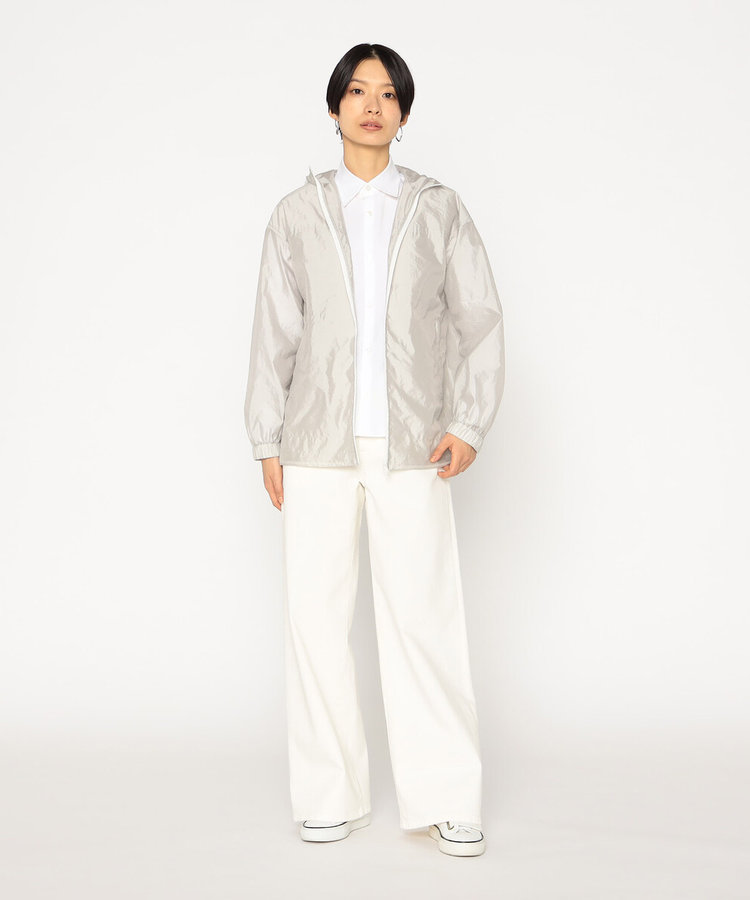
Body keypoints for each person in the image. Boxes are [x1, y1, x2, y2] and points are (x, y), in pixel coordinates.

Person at [244, 43, 505, 857]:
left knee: (424, 618)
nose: (370, 106)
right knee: (316, 621)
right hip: (315, 444)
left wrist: (468, 421)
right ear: (334, 108)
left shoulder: (439, 208)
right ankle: (330, 795)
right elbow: (274, 331)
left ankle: (448, 797)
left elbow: (479, 318)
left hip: (414, 442)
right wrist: (266, 436)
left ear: (403, 112)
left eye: (387, 94)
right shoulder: (297, 213)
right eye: (357, 92)